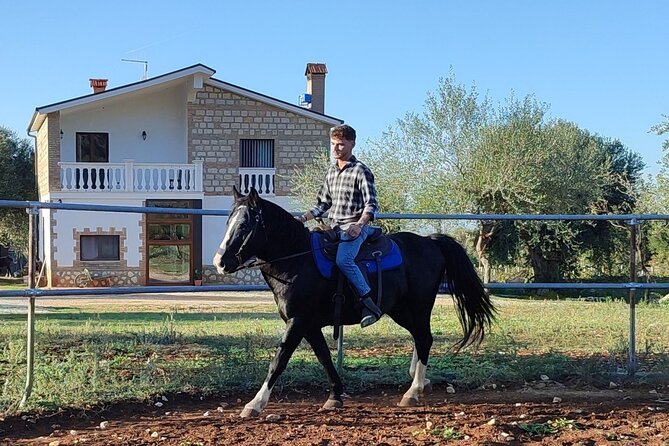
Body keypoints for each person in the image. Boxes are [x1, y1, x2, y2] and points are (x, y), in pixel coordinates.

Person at [296, 124, 382, 327]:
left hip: (354, 228)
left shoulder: (361, 171)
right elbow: (322, 204)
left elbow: (371, 204)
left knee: (344, 260)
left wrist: (359, 225)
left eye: (341, 144)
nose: (335, 149)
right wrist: (302, 219)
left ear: (352, 144)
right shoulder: (331, 172)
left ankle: (368, 304)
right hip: (334, 228)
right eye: (333, 144)